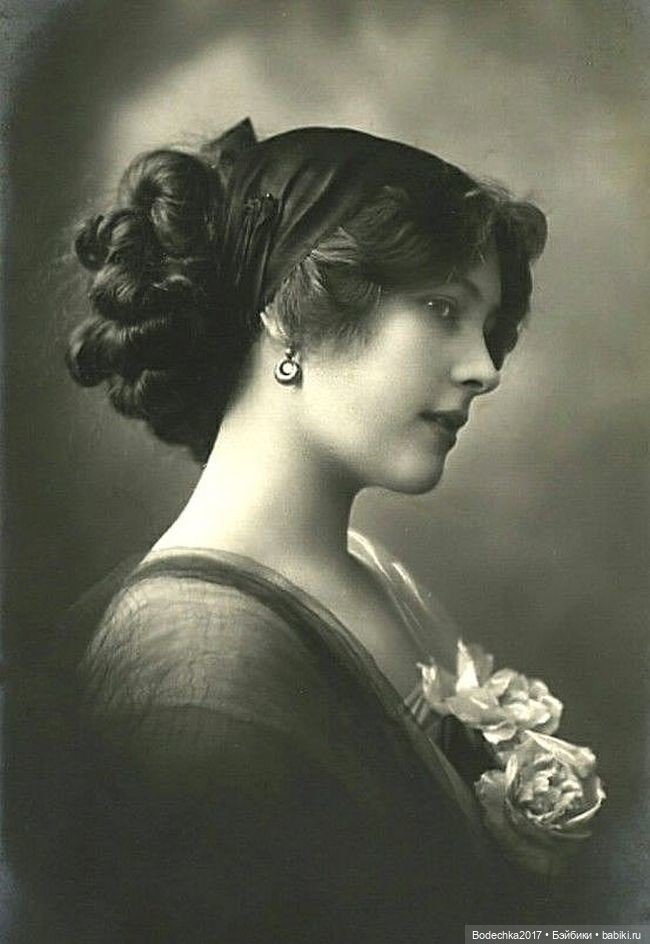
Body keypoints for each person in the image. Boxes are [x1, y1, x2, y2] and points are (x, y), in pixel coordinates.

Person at [6, 120, 548, 942]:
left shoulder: (369, 567)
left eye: (487, 325)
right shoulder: (194, 675)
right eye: (442, 308)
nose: (485, 367)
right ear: (289, 318)